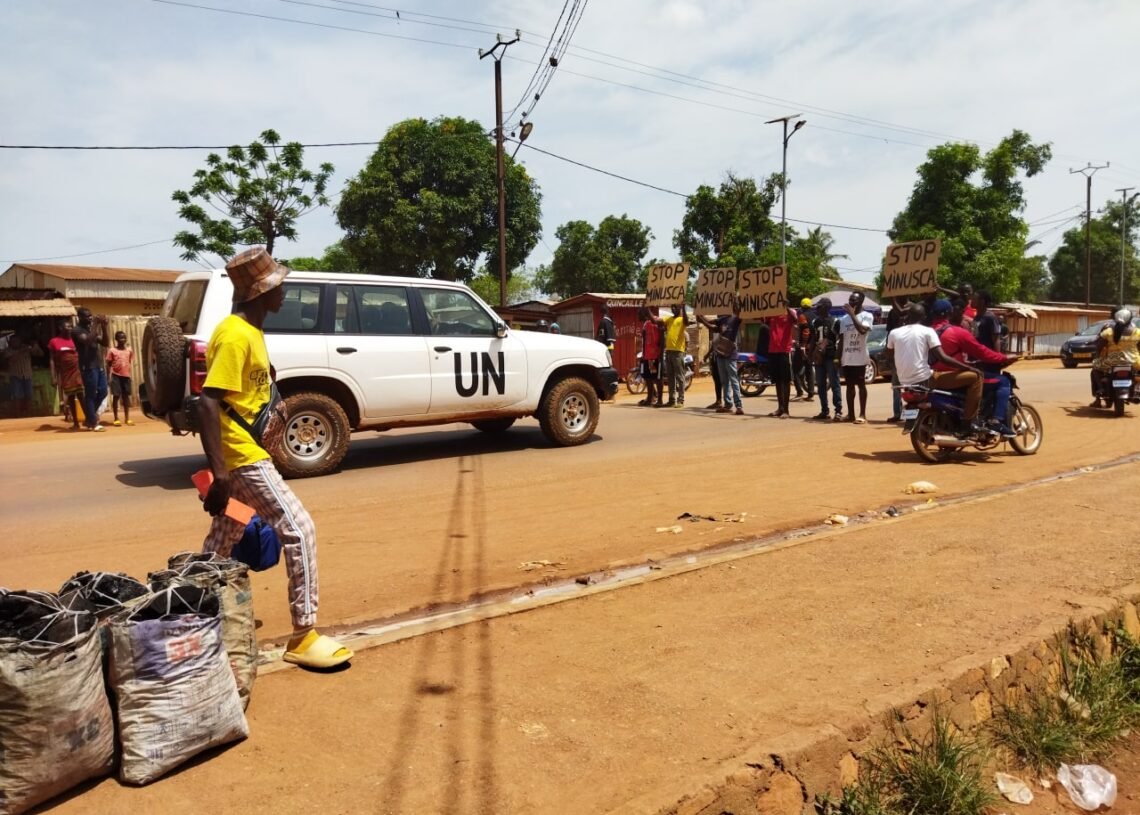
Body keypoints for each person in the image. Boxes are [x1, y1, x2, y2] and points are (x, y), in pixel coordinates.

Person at [198, 246, 352, 670]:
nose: (283, 291)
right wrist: (221, 473)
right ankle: (304, 634)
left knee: (224, 536)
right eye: (277, 286)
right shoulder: (234, 334)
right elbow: (208, 403)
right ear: (259, 293)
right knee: (299, 528)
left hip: (246, 454)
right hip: (241, 459)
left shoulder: (250, 332)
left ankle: (195, 608)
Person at [887, 303, 983, 433]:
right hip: (926, 380)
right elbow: (943, 357)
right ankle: (968, 422)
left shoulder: (894, 333)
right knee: (976, 377)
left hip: (904, 382)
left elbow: (890, 356)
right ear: (924, 317)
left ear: (908, 316)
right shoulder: (927, 331)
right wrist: (968, 367)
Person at [930, 299, 1016, 437]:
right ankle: (992, 421)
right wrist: (1003, 358)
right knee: (1002, 381)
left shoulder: (927, 332)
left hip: (930, 377)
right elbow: (981, 351)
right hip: (952, 377)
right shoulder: (956, 332)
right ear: (950, 313)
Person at [1090, 308, 1139, 407]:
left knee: (1095, 369)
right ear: (1130, 319)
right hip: (1133, 361)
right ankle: (1138, 388)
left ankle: (1101, 389)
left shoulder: (1109, 331)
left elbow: (1099, 346)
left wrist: (1096, 357)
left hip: (1112, 361)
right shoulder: (1137, 332)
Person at [700, 302, 744, 415]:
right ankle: (728, 404)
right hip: (720, 354)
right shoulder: (721, 320)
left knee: (733, 379)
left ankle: (739, 406)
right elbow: (711, 326)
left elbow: (739, 311)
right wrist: (700, 316)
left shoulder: (735, 319)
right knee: (724, 381)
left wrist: (735, 299)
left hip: (730, 354)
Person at [837, 292, 873, 423]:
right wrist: (838, 358)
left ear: (861, 302)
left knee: (861, 385)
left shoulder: (867, 316)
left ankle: (862, 414)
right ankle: (850, 414)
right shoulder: (843, 320)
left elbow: (862, 331)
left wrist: (852, 315)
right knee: (849, 386)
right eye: (850, 300)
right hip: (847, 357)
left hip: (860, 357)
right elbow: (841, 340)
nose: (851, 303)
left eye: (854, 301)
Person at [72, 307, 108, 431]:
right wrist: (96, 325)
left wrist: (104, 326)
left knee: (103, 391)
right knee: (91, 394)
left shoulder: (89, 329)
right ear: (80, 317)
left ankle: (90, 417)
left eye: (91, 315)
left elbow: (105, 343)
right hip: (87, 366)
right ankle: (93, 422)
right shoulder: (77, 330)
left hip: (98, 365)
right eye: (87, 316)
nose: (90, 318)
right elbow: (87, 341)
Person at [47, 321, 84, 431]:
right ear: (60, 327)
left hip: (78, 371)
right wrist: (53, 376)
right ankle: (76, 423)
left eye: (70, 326)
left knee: (82, 396)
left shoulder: (75, 340)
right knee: (71, 398)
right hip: (66, 373)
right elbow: (52, 360)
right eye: (67, 326)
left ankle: (90, 419)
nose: (69, 328)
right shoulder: (54, 341)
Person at [810, 298, 842, 421]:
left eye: (819, 306)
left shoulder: (835, 321)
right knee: (821, 384)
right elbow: (813, 338)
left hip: (831, 356)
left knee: (834, 384)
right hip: (819, 357)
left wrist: (837, 358)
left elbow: (840, 340)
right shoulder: (815, 322)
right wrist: (810, 354)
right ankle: (824, 410)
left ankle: (838, 411)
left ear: (826, 307)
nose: (817, 309)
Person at [765, 303, 797, 418]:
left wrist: (787, 307)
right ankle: (780, 408)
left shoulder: (789, 313)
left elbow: (795, 319)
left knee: (785, 380)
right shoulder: (771, 314)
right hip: (773, 350)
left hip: (784, 350)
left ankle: (786, 410)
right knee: (778, 381)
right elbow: (760, 317)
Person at [3, 334, 41, 417]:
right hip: (15, 376)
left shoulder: (26, 348)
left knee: (29, 396)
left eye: (17, 341)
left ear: (20, 341)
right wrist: (22, 351)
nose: (15, 343)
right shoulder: (8, 350)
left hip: (27, 375)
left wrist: (35, 345)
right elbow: (11, 360)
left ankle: (28, 414)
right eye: (13, 341)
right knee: (17, 396)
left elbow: (39, 354)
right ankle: (18, 415)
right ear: (10, 343)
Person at [883, 297, 907, 422]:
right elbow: (889, 332)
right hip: (896, 354)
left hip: (909, 353)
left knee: (910, 386)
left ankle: (912, 414)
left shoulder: (912, 308)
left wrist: (892, 299)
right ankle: (898, 413)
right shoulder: (893, 312)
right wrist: (888, 354)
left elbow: (902, 312)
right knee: (896, 385)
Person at [105, 330, 135, 427]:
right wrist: (108, 377)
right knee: (116, 396)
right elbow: (109, 364)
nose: (123, 339)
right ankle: (116, 418)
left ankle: (127, 418)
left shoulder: (129, 350)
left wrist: (130, 375)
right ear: (116, 339)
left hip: (126, 376)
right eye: (121, 338)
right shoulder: (112, 351)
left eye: (124, 337)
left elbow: (129, 362)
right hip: (116, 376)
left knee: (126, 397)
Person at [637, 305, 665, 407]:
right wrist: (643, 355)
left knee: (658, 378)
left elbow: (662, 339)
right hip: (647, 356)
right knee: (648, 378)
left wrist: (661, 354)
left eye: (640, 313)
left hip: (656, 355)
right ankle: (650, 398)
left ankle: (660, 400)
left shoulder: (659, 321)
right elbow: (644, 342)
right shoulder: (645, 324)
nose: (638, 316)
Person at [662, 303, 688, 408]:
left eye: (675, 307)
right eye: (671, 307)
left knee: (680, 377)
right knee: (670, 377)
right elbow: (657, 321)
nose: (673, 308)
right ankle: (671, 400)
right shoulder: (669, 319)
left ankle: (680, 400)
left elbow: (686, 321)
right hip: (668, 351)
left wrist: (684, 308)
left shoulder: (682, 320)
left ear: (679, 308)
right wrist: (648, 310)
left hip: (678, 352)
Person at [793, 298, 815, 401]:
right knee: (809, 370)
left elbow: (806, 331)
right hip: (812, 347)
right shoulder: (815, 316)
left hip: (804, 347)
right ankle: (811, 392)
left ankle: (799, 392)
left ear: (802, 306)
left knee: (795, 369)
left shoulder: (802, 316)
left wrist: (802, 346)